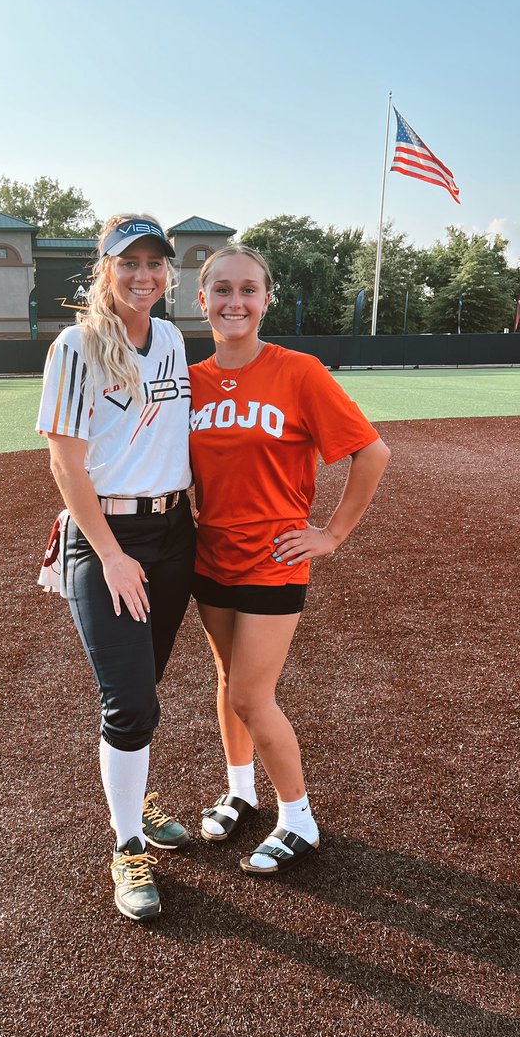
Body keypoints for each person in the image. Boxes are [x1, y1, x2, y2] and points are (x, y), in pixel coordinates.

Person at [188, 244, 391, 874]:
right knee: (227, 683)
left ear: (266, 299)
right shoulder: (187, 382)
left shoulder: (298, 372)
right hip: (210, 555)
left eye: (248, 289)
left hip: (274, 556)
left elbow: (372, 452)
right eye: (222, 290)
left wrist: (331, 534)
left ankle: (298, 817)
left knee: (252, 693)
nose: (235, 302)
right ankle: (241, 791)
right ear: (202, 300)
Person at [37, 214, 195, 921]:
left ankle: (136, 796)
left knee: (145, 688)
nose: (144, 275)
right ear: (104, 269)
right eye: (128, 262)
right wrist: (110, 554)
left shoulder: (171, 338)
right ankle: (126, 843)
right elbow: (64, 463)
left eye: (155, 262)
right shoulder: (76, 346)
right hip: (106, 535)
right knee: (128, 701)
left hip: (172, 532)